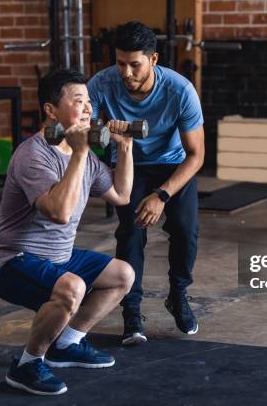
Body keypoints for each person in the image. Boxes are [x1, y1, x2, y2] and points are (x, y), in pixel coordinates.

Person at [0, 68, 135, 396]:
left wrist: (125, 148)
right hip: (11, 259)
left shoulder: (87, 158)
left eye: (90, 102)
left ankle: (66, 343)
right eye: (79, 101)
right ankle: (26, 364)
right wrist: (79, 151)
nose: (89, 109)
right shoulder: (33, 155)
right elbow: (60, 213)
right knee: (71, 288)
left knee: (122, 274)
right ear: (51, 111)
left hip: (57, 258)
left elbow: (121, 195)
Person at [87, 21, 205, 346]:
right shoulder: (101, 84)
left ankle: (177, 294)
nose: (126, 72)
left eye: (134, 64)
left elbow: (196, 155)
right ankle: (132, 313)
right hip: (128, 163)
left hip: (172, 164)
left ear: (153, 59)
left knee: (184, 228)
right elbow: (86, 132)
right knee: (130, 232)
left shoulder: (180, 91)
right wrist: (107, 131)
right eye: (120, 63)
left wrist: (162, 195)